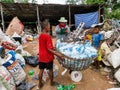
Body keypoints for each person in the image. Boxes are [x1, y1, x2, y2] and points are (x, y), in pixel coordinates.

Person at [38, 19, 63, 89]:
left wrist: (53, 47)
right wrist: (59, 55)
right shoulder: (47, 36)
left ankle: (39, 84)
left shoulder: (41, 35)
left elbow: (45, 46)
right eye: (49, 26)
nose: (50, 27)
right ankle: (52, 83)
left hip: (41, 56)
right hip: (47, 57)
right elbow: (49, 49)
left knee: (41, 70)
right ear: (45, 27)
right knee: (50, 70)